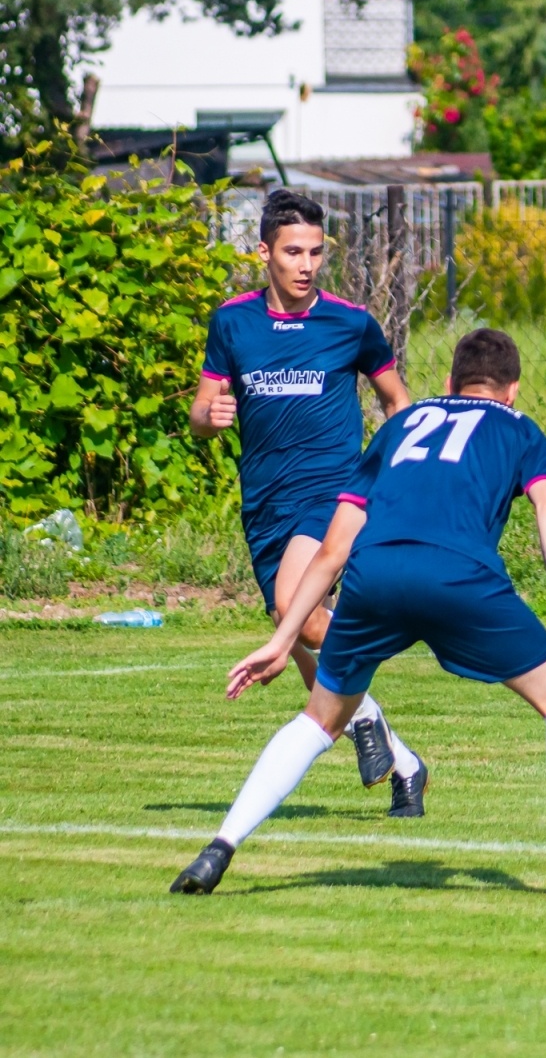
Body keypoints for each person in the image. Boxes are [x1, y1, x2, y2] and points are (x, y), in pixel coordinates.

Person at [171, 329, 546, 897]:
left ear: (449, 384)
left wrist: (283, 640)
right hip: (458, 574)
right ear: (514, 389)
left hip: (374, 577)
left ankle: (217, 850)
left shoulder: (401, 425)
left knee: (320, 719)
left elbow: (333, 548)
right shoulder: (520, 429)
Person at [189, 190, 428, 814]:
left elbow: (397, 401)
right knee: (296, 624)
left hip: (332, 491)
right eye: (293, 251)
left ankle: (372, 726)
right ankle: (399, 755)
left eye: (317, 252)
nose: (306, 264)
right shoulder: (232, 322)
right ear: (264, 252)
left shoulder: (350, 323)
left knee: (292, 606)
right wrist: (208, 417)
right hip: (263, 500)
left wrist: (391, 469)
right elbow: (201, 409)